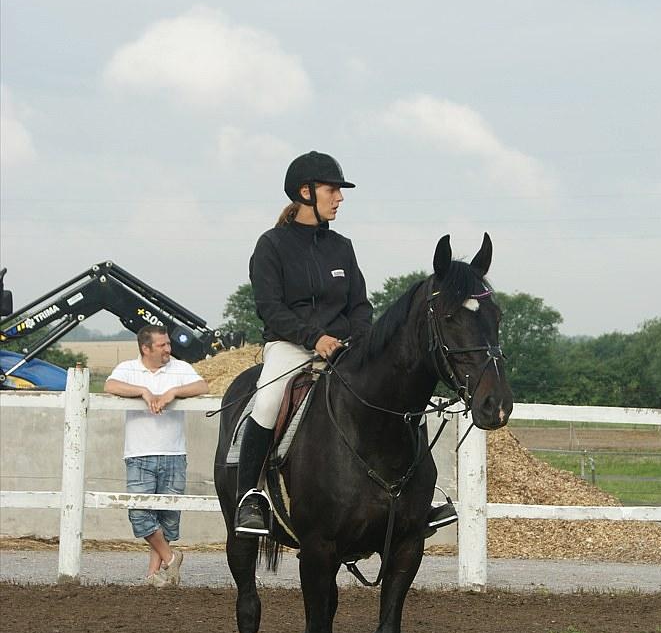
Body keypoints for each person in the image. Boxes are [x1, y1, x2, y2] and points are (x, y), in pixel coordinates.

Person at [234, 150, 458, 538]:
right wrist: (313, 337)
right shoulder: (271, 245)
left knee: (395, 395)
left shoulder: (342, 246)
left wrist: (357, 340)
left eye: (339, 191)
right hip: (290, 346)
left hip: (344, 347)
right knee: (269, 399)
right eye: (332, 190)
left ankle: (420, 496)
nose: (339, 198)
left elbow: (360, 305)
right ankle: (250, 496)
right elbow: (270, 308)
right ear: (306, 192)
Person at [105, 325, 209, 586]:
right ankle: (171, 558)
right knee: (139, 513)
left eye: (168, 345)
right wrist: (143, 391)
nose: (168, 350)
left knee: (167, 519)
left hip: (174, 453)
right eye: (162, 346)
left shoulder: (180, 368)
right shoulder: (128, 368)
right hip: (139, 454)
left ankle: (155, 574)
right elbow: (110, 385)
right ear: (146, 348)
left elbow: (202, 386)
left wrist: (173, 392)